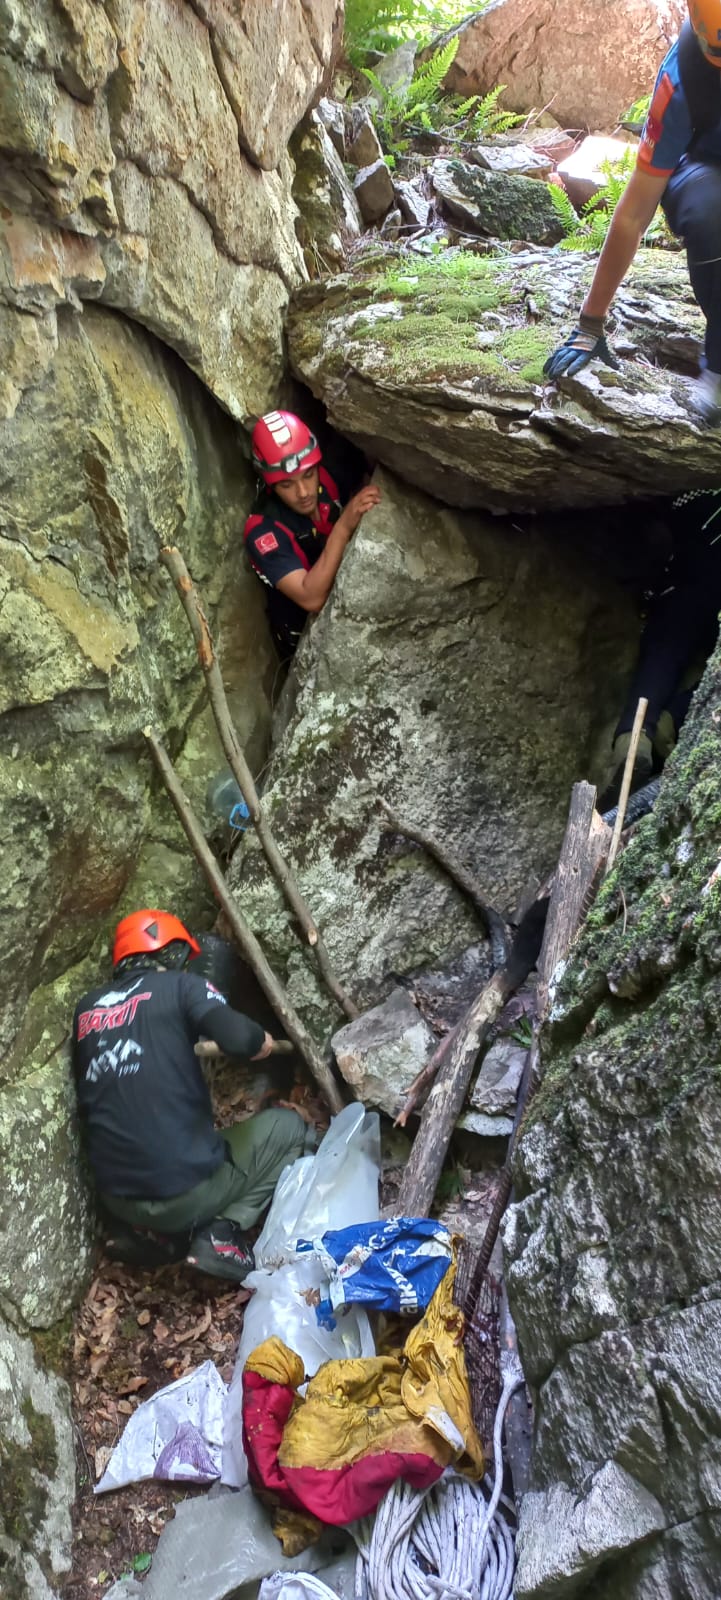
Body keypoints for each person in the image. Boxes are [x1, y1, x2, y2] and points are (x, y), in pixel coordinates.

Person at [72, 909, 306, 1281]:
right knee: (290, 1127)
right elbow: (239, 1038)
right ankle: (221, 1233)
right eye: (180, 957)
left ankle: (151, 1237)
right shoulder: (182, 987)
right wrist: (259, 1039)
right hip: (184, 1194)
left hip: (117, 1199)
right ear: (166, 954)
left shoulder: (85, 1011)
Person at [544, 1, 721, 425]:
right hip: (705, 174)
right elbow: (634, 212)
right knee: (711, 216)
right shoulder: (683, 81)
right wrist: (590, 323)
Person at [599, 483, 721, 808]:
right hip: (704, 521)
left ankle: (634, 737)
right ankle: (676, 719)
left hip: (703, 517)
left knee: (673, 630)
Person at [244, 409, 381, 660]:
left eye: (308, 475)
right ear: (271, 484)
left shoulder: (328, 475)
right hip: (302, 640)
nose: (304, 492)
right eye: (287, 484)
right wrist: (344, 526)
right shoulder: (263, 531)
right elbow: (311, 597)